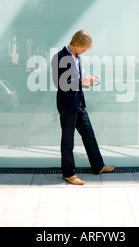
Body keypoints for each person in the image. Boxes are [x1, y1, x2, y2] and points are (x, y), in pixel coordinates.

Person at [51, 30, 115, 185]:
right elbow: (60, 84)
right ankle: (68, 173)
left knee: (89, 135)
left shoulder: (77, 57)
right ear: (77, 43)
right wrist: (81, 82)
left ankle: (98, 166)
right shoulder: (59, 57)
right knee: (68, 140)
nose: (85, 51)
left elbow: (75, 81)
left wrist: (87, 81)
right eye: (84, 47)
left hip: (78, 103)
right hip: (67, 105)